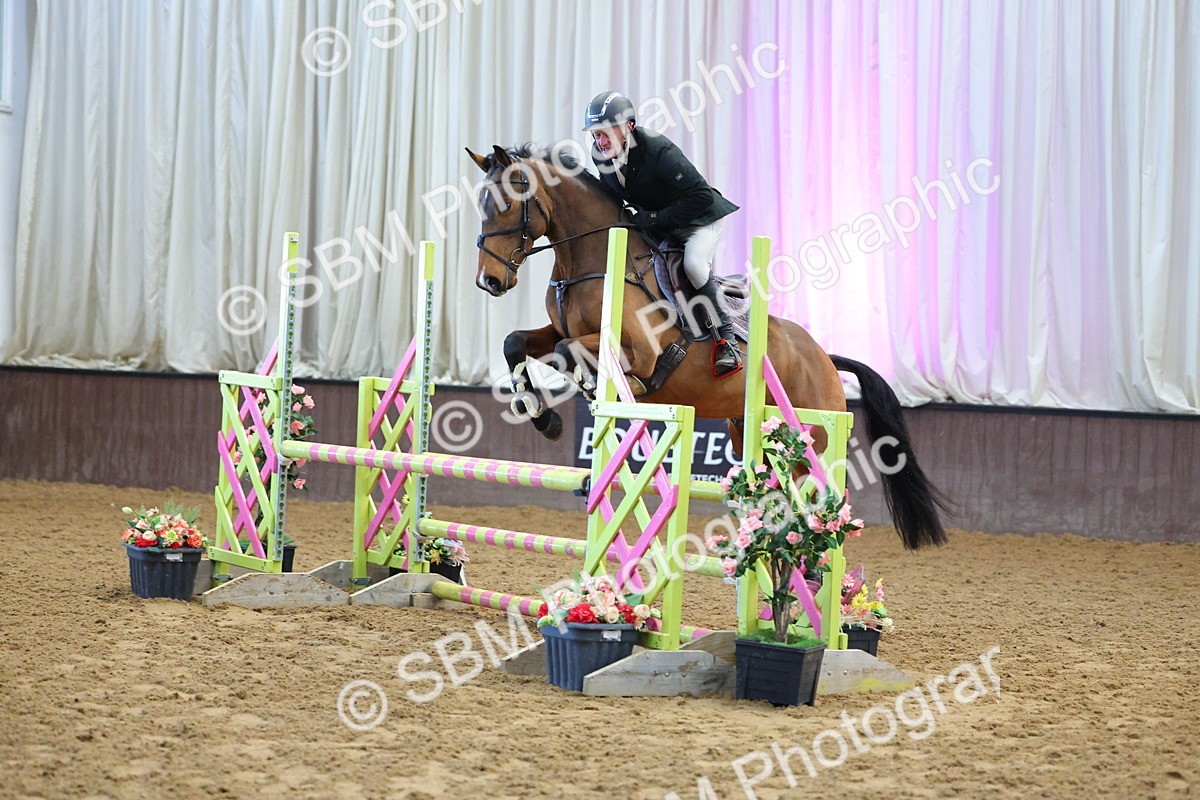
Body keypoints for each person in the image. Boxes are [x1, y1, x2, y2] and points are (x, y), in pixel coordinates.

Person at [582, 91, 743, 378]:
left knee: (693, 265)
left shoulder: (658, 150)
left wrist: (652, 218)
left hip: (699, 220)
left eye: (606, 133)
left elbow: (701, 196)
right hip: (660, 227)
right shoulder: (600, 155)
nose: (600, 142)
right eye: (596, 134)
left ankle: (727, 340)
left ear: (628, 127)